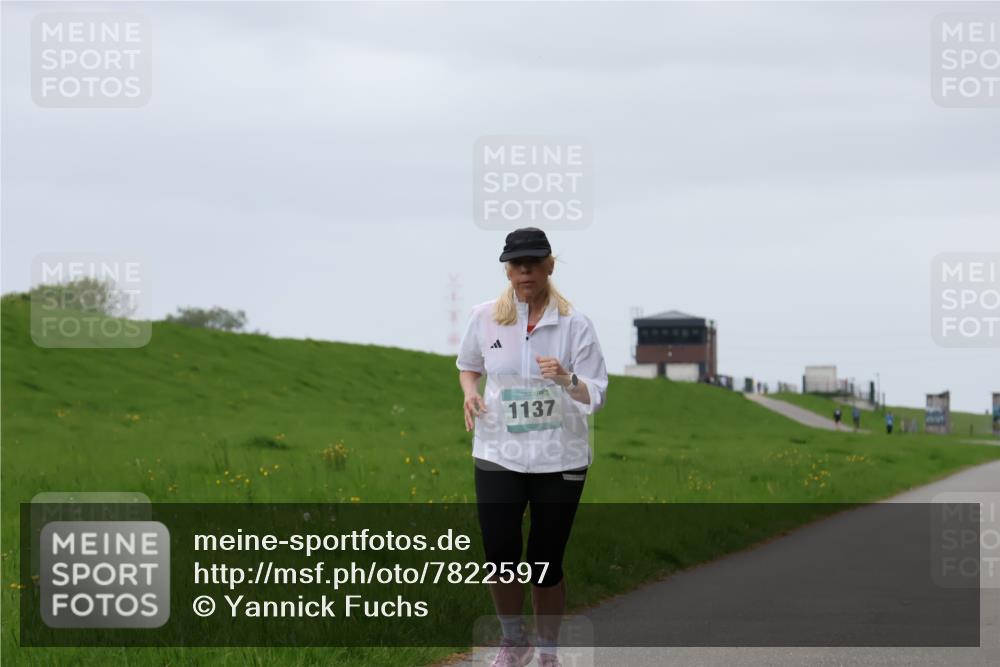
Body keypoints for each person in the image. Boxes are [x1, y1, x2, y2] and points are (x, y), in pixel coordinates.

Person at [456, 227, 609, 667]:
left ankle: (546, 652)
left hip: (559, 456)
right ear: (507, 269)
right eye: (516, 264)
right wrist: (470, 392)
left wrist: (567, 379)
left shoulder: (575, 324)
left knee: (545, 558)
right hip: (498, 451)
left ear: (549, 266)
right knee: (500, 553)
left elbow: (595, 393)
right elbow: (468, 366)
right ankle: (513, 640)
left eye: (533, 262)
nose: (524, 270)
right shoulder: (485, 317)